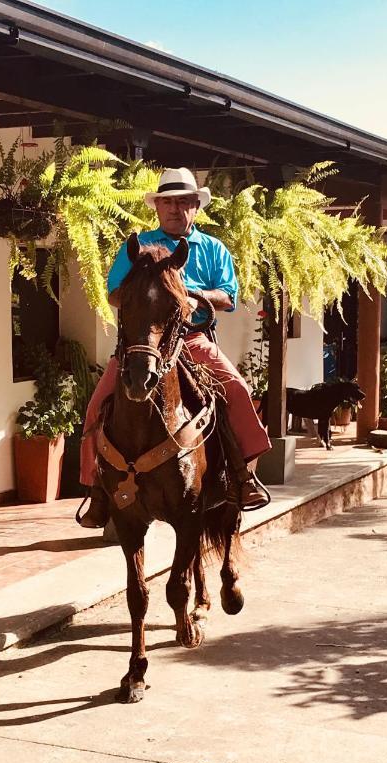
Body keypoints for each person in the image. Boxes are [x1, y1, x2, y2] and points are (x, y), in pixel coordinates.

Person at [78, 167, 272, 528]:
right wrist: (148, 294)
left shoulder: (214, 249)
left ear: (196, 207)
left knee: (238, 391)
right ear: (157, 207)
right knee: (96, 404)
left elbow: (228, 296)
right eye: (167, 202)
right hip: (144, 343)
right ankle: (97, 492)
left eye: (183, 202)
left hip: (192, 339)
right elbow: (115, 294)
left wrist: (192, 296)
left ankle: (244, 479)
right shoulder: (135, 248)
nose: (174, 209)